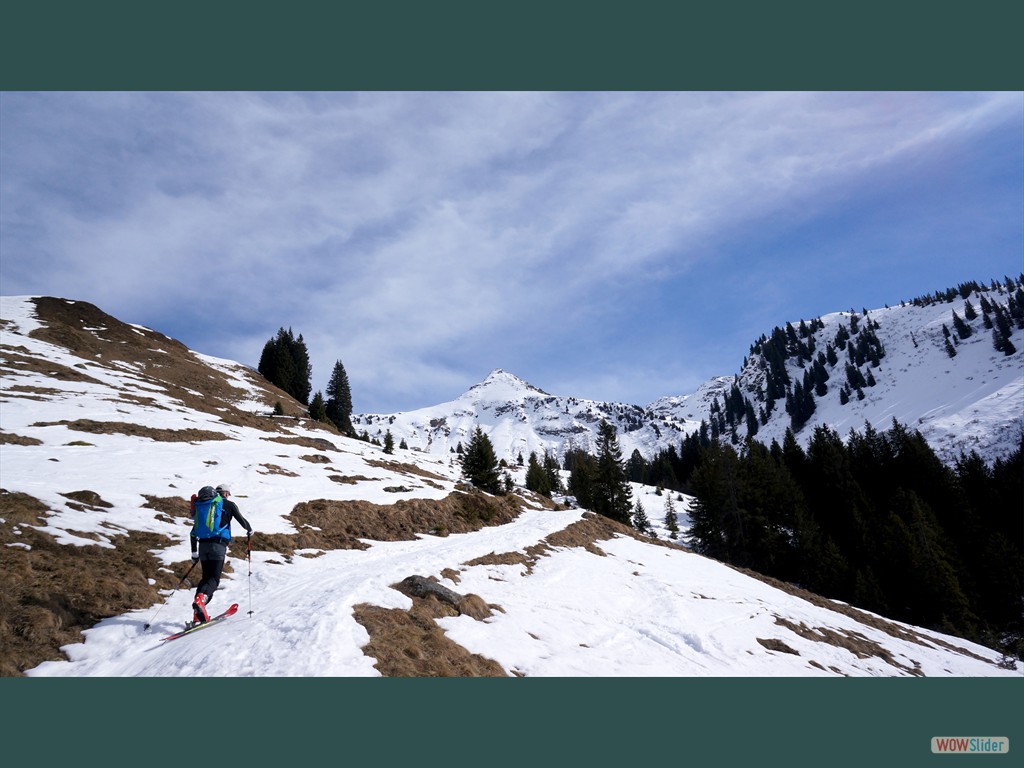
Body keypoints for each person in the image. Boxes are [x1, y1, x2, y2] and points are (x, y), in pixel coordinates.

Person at [189, 483, 252, 624]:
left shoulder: (205, 506)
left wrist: (194, 553)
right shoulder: (228, 505)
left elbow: (193, 532)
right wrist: (250, 530)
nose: (228, 496)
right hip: (218, 546)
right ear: (225, 493)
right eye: (228, 493)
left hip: (202, 546)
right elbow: (242, 521)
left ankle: (197, 612)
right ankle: (201, 599)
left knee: (205, 578)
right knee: (214, 580)